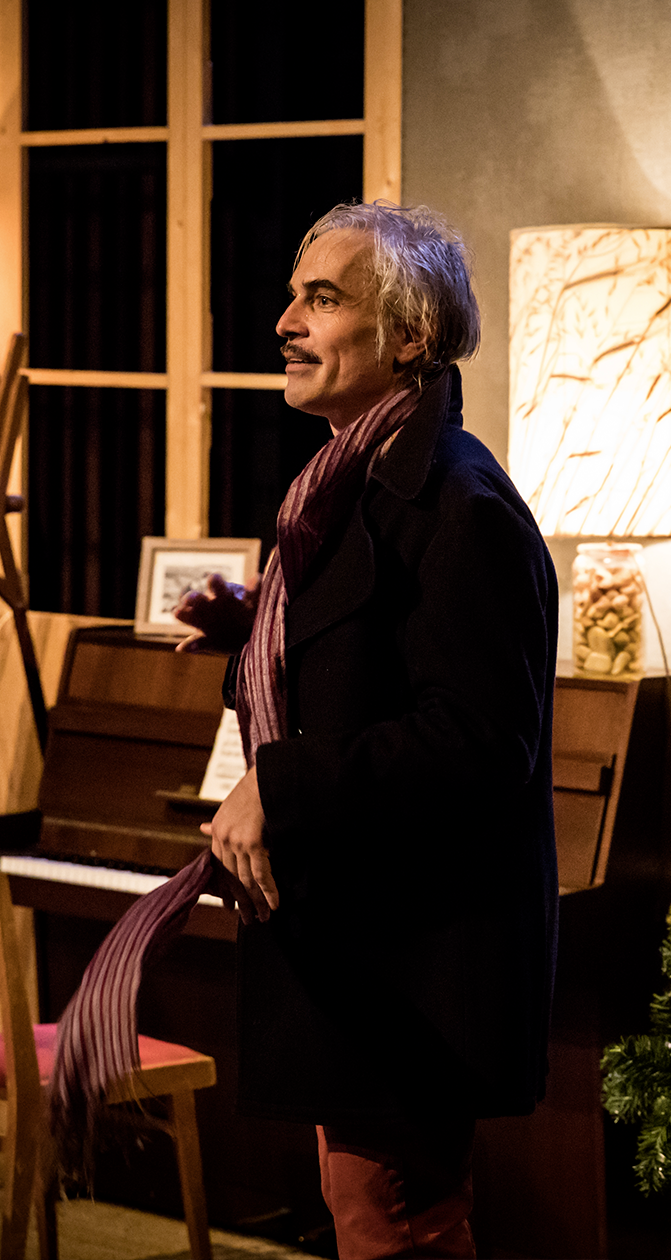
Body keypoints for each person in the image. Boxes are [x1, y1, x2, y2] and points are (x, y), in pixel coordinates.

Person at [173, 201, 558, 1260]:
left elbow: (480, 742)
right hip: (354, 944)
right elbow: (373, 664)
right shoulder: (347, 483)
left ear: (410, 335)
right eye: (293, 297)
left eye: (324, 299)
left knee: (396, 1221)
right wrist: (259, 638)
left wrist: (279, 782)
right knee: (368, 1209)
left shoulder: (460, 503)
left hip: (413, 961)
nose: (285, 324)